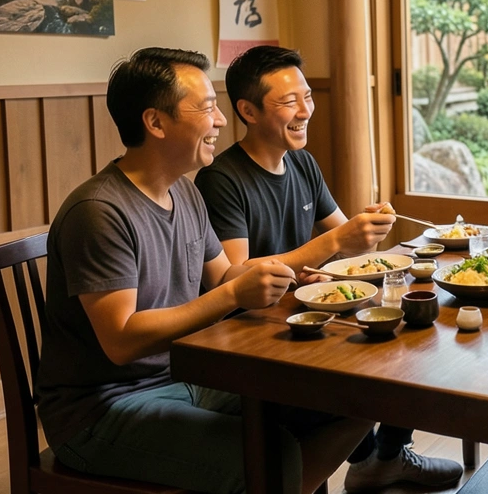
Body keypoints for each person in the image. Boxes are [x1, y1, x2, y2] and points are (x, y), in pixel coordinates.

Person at [36, 47, 372, 494]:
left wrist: (280, 277)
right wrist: (233, 295)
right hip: (103, 410)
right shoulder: (99, 211)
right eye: (207, 108)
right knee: (274, 455)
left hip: (186, 375)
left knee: (352, 399)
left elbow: (224, 276)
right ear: (155, 123)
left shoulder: (185, 192)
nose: (220, 121)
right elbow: (121, 341)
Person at [195, 45, 463, 492]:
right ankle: (372, 461)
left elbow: (349, 243)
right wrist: (336, 244)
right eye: (289, 101)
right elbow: (233, 274)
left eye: (307, 96)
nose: (305, 110)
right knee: (374, 373)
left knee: (411, 335)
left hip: (308, 315)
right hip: (253, 336)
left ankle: (386, 456)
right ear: (248, 111)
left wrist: (368, 228)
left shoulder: (301, 162)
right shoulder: (222, 179)